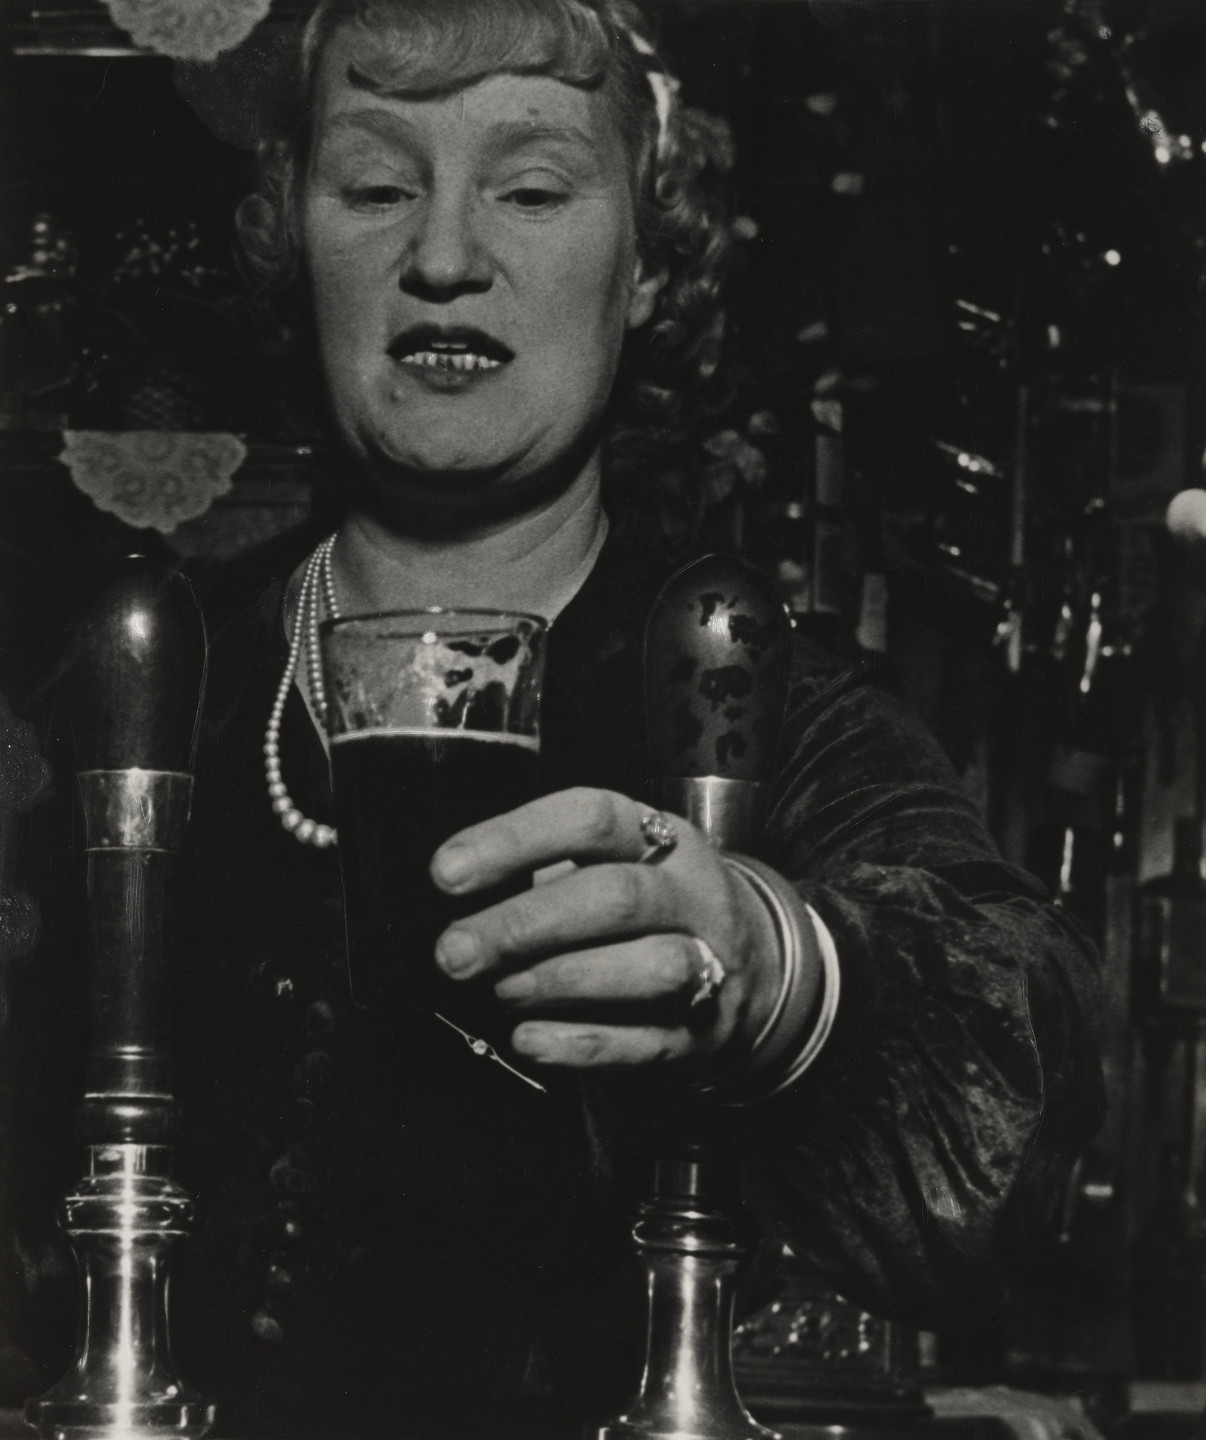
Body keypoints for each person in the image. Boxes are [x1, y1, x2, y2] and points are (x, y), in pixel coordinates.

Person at [7, 1, 1104, 1436]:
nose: (445, 259)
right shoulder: (139, 679)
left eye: (530, 189)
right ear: (292, 235)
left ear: (647, 260)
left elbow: (1024, 1084)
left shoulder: (748, 692)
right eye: (377, 186)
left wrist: (779, 972)